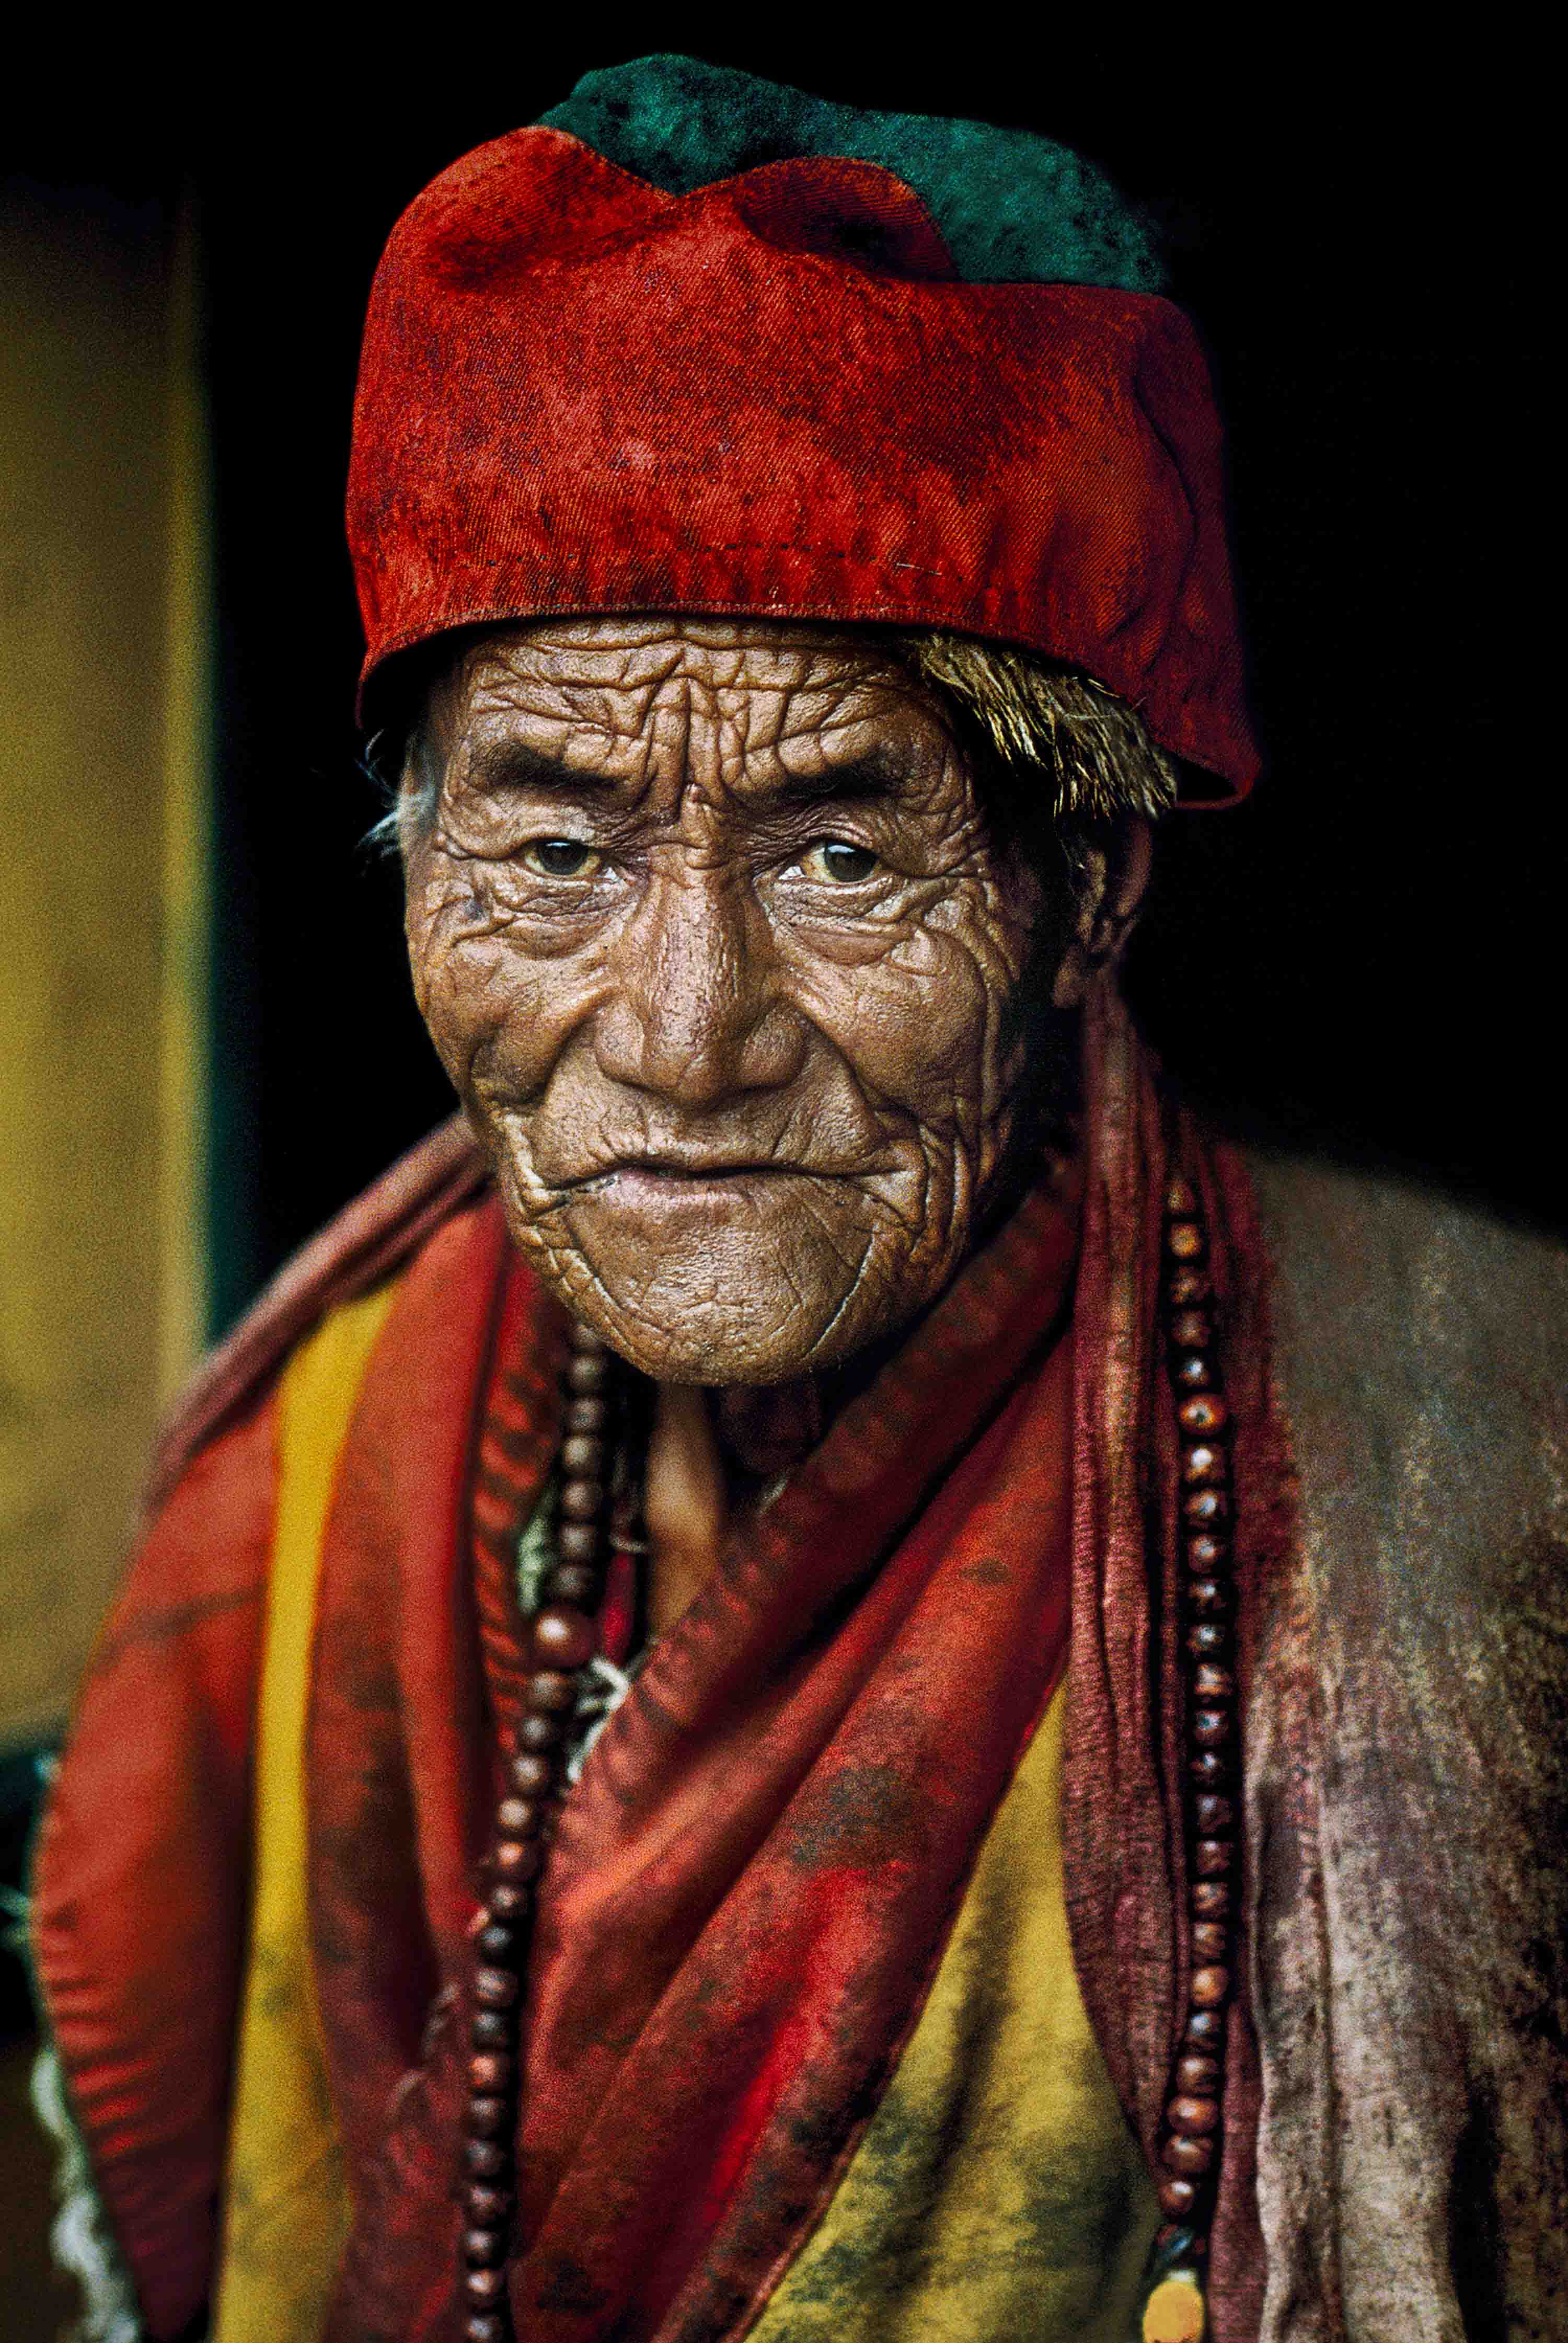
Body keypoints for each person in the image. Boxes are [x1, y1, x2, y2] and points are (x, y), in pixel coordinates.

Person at [29, 55, 1567, 2343]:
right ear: (415, 878)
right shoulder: (317, 1464)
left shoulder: (1490, 1460)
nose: (683, 1031)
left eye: (846, 852)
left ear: (1084, 895)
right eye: (553, 849)